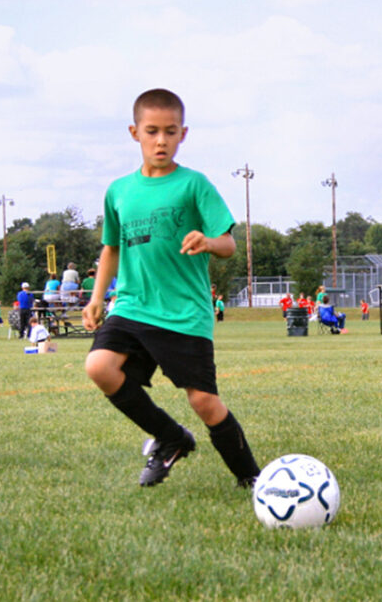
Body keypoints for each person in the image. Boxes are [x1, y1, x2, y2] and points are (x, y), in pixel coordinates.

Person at [82, 88, 261, 489]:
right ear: (135, 133)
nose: (161, 140)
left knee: (203, 401)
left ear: (183, 134)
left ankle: (251, 477)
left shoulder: (194, 185)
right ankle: (170, 437)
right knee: (99, 367)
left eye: (170, 131)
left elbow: (229, 244)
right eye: (152, 131)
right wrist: (97, 298)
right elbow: (111, 248)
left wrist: (209, 241)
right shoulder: (119, 190)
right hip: (132, 305)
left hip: (183, 312)